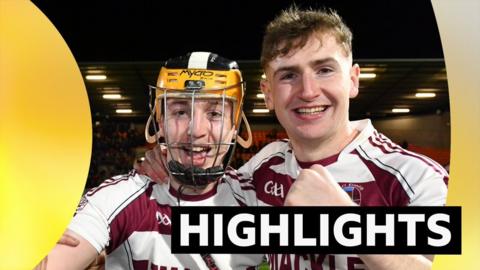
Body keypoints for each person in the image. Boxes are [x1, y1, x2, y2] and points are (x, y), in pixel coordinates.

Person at [135, 7, 448, 270]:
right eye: (288, 75)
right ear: (268, 94)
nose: (308, 91)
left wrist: (347, 224)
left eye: (324, 69)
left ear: (352, 81)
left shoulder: (415, 177)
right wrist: (164, 171)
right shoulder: (262, 169)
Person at [36, 52, 263, 270]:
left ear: (235, 126)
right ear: (160, 122)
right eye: (180, 112)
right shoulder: (118, 199)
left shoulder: (258, 200)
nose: (196, 130)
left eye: (214, 114)